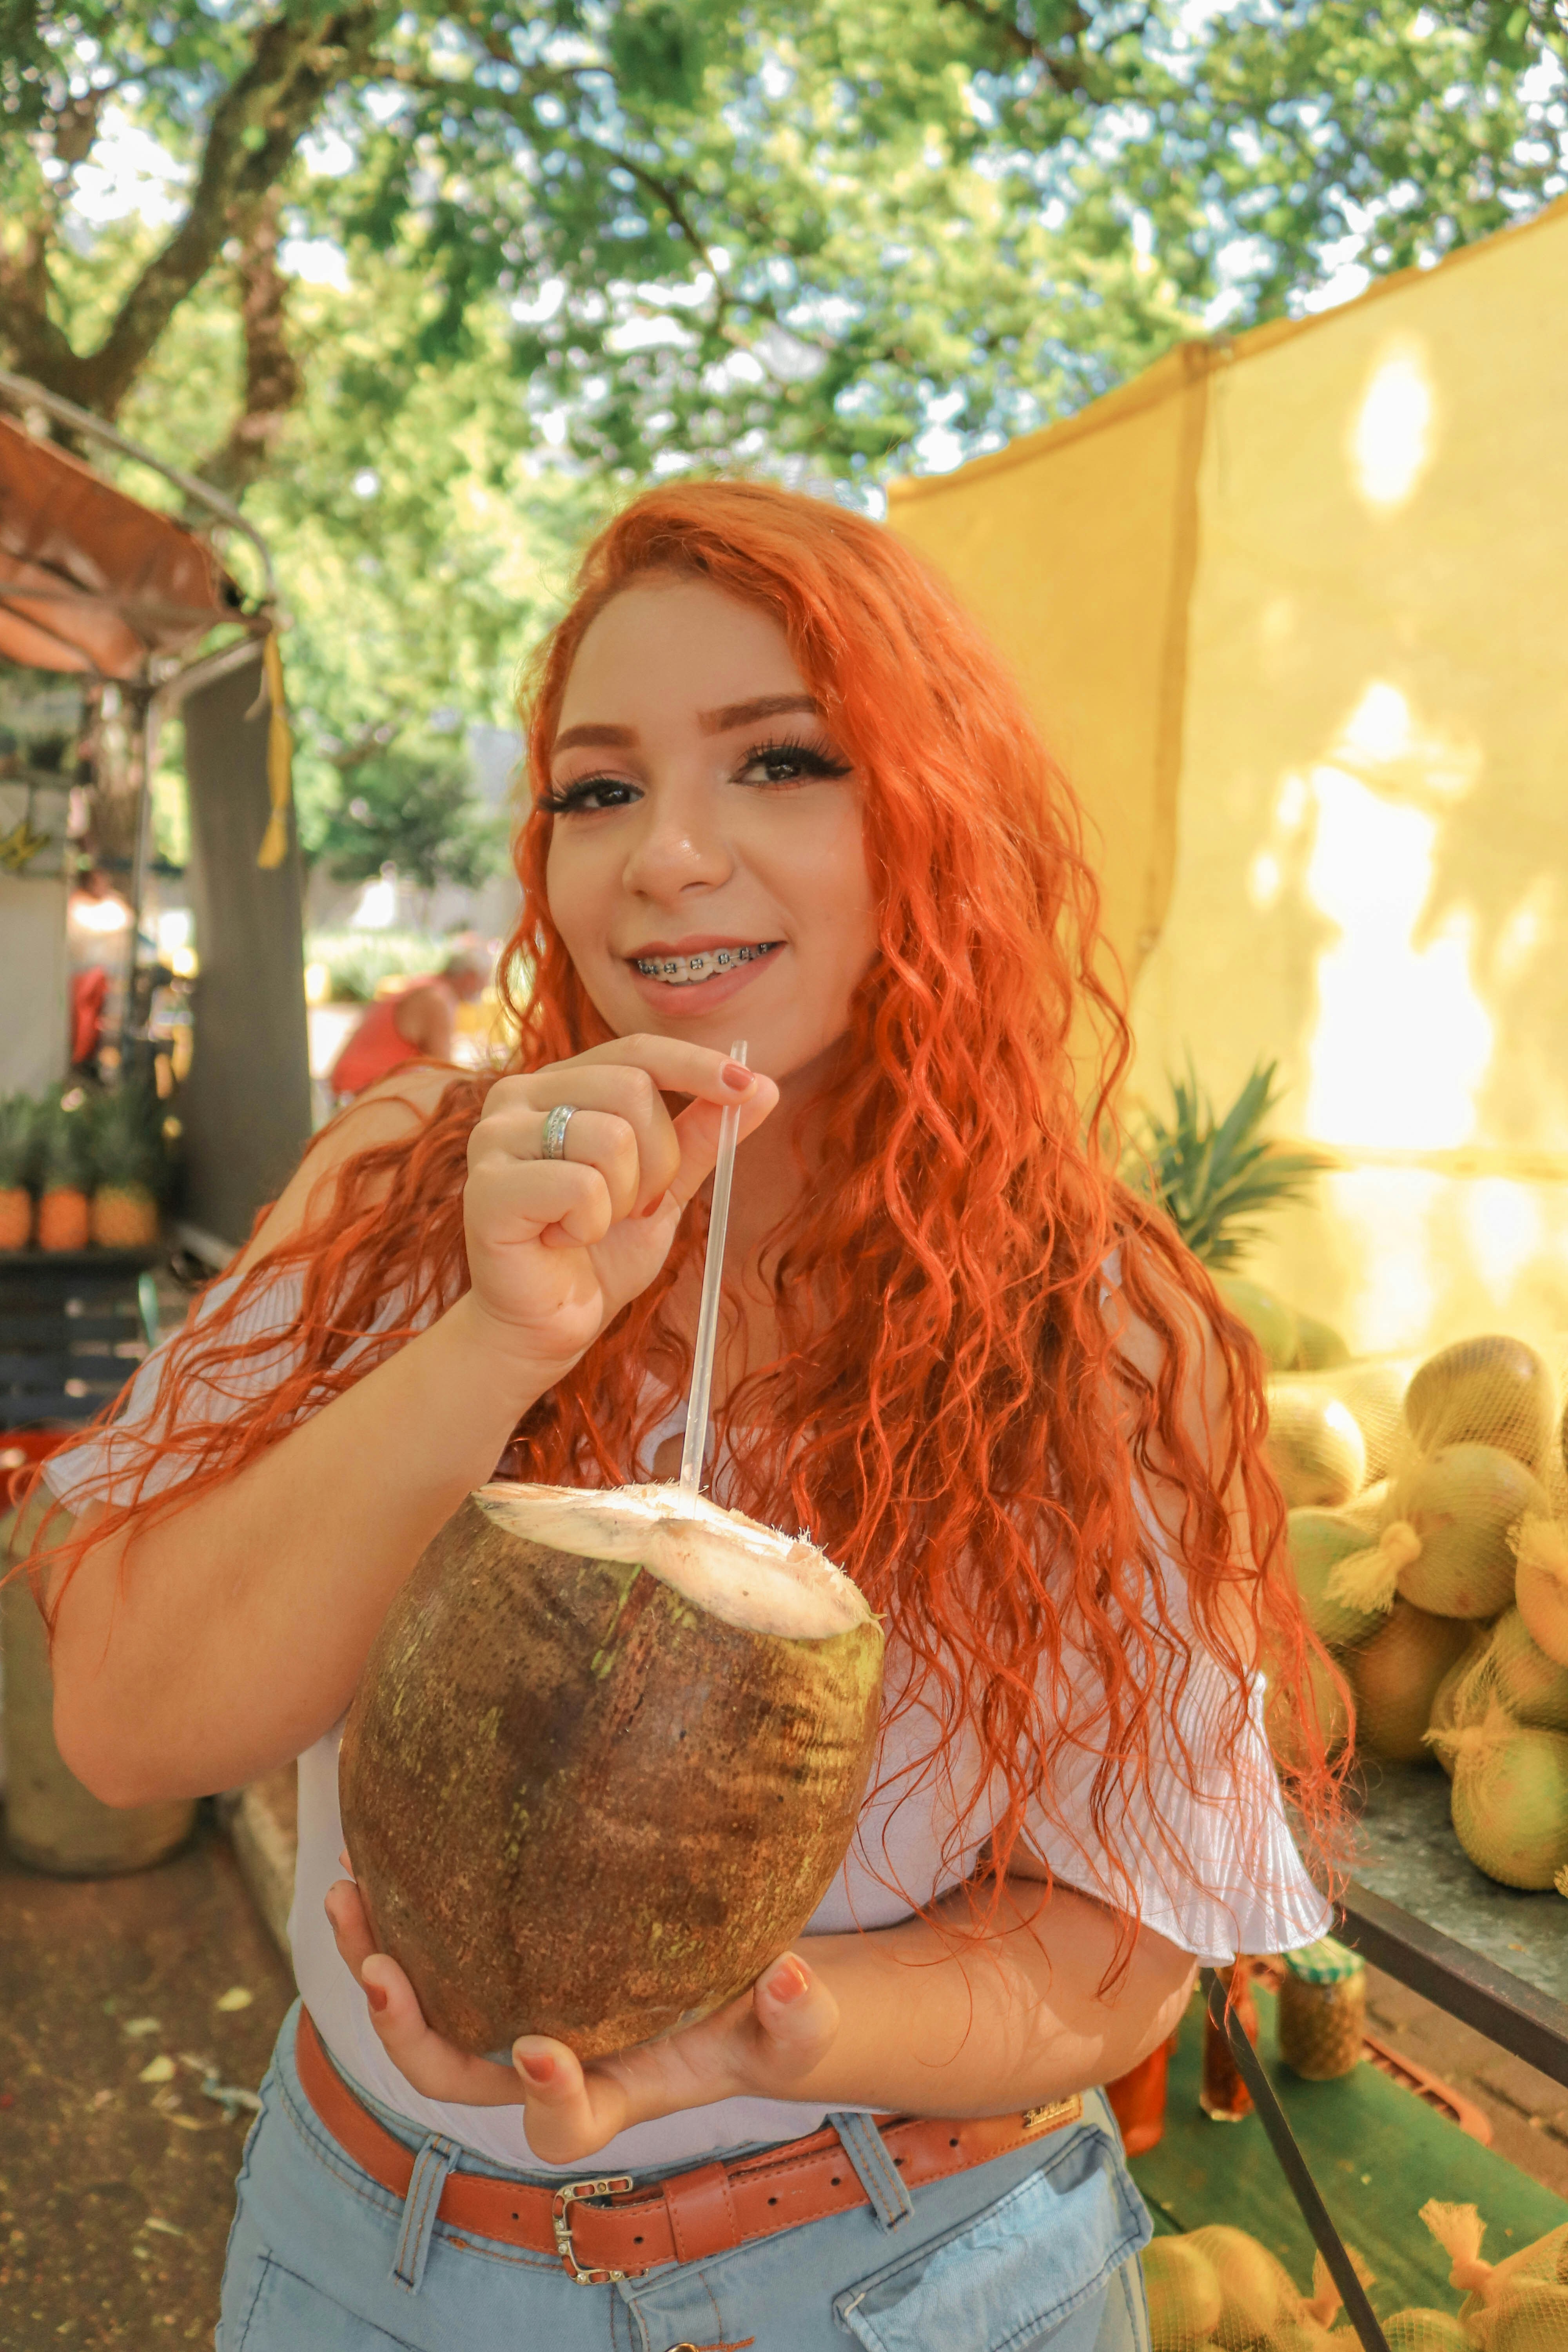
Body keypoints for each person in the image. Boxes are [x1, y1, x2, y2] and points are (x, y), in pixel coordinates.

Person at [30, 483, 1341, 2352]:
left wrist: (764, 2026)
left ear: (929, 819)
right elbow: (126, 1724)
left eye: (782, 761)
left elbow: (1119, 1958)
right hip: (369, 2268)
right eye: (599, 786)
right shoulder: (413, 1181)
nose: (666, 854)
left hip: (919, 2278)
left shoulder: (1100, 1327)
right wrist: (488, 1342)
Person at [327, 946, 492, 1099]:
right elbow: (444, 1070)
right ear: (471, 977)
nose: (487, 986)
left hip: (361, 1088)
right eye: (487, 978)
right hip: (361, 1093)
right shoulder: (436, 999)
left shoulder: (429, 986)